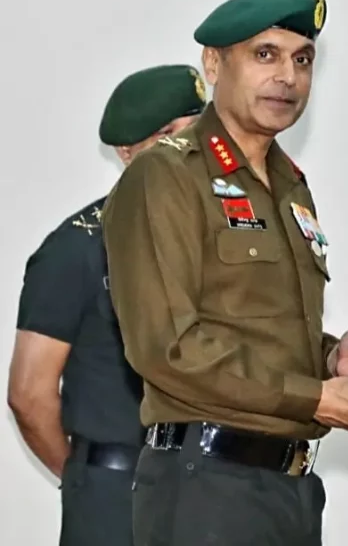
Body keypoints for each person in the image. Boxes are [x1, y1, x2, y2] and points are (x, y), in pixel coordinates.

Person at [100, 0, 348, 546]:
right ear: (214, 64)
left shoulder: (291, 187)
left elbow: (261, 330)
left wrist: (336, 360)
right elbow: (169, 346)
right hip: (206, 487)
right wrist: (315, 397)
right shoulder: (166, 176)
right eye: (265, 54)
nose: (288, 77)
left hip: (289, 486)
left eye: (303, 59)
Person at [7, 63, 207, 546]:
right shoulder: (77, 248)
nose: (186, 148)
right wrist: (86, 477)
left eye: (196, 131)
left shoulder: (216, 241)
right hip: (117, 497)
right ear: (126, 150)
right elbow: (29, 394)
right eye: (167, 134)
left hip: (214, 492)